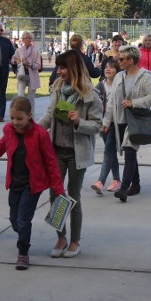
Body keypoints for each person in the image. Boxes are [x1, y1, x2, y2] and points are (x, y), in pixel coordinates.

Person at [0, 97, 65, 270]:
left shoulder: (40, 134)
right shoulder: (9, 130)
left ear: (30, 115)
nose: (15, 122)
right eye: (12, 117)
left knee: (23, 220)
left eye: (19, 118)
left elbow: (51, 162)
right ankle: (21, 231)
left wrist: (59, 189)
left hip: (32, 185)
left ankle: (23, 253)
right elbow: (2, 146)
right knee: (14, 220)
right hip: (15, 182)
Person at [38, 50, 103, 258]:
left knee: (73, 196)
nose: (59, 71)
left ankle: (75, 241)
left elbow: (97, 125)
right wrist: (34, 130)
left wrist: (79, 122)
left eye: (63, 67)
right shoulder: (57, 88)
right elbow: (50, 115)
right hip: (56, 151)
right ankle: (61, 236)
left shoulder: (89, 94)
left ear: (73, 68)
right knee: (55, 194)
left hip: (77, 154)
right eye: (58, 67)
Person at [102, 45, 151, 202]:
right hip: (120, 120)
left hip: (136, 120)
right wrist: (106, 121)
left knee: (130, 152)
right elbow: (112, 100)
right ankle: (136, 184)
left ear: (131, 60)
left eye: (121, 59)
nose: (118, 61)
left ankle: (124, 188)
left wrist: (134, 103)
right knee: (129, 151)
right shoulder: (119, 76)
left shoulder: (145, 76)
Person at [90, 57, 121, 194]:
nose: (108, 69)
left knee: (108, 150)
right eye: (106, 67)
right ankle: (116, 180)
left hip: (116, 123)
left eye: (112, 67)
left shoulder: (120, 85)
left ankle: (100, 181)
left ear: (117, 71)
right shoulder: (100, 86)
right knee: (111, 152)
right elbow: (93, 103)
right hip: (103, 124)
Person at [10, 31, 43, 114]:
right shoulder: (19, 50)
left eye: (29, 38)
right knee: (20, 96)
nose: (28, 39)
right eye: (26, 38)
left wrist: (30, 64)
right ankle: (20, 114)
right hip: (22, 76)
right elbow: (12, 60)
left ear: (31, 39)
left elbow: (38, 65)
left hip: (32, 77)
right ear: (23, 40)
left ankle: (31, 118)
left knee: (31, 98)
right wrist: (17, 60)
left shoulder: (35, 51)